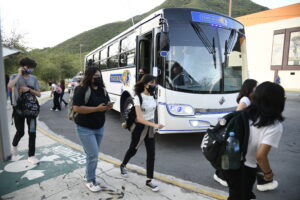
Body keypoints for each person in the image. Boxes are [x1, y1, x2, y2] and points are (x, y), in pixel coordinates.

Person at [222, 81, 285, 200]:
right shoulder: (274, 125)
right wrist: (268, 174)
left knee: (237, 193)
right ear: (278, 101)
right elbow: (260, 156)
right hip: (246, 168)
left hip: (230, 162)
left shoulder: (246, 113)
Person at [120, 74, 164, 192]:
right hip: (140, 127)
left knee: (151, 154)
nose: (154, 86)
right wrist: (155, 125)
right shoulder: (138, 97)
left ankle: (149, 180)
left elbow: (152, 112)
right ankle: (123, 165)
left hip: (150, 127)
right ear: (145, 84)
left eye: (155, 83)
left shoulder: (153, 96)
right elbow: (139, 118)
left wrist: (154, 124)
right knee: (133, 149)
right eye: (151, 83)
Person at [72, 66, 113, 192]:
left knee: (92, 155)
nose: (98, 78)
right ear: (89, 76)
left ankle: (89, 175)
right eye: (95, 76)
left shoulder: (102, 89)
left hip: (99, 126)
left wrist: (108, 107)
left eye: (99, 76)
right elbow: (77, 108)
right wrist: (96, 109)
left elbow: (105, 104)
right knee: (93, 154)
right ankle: (90, 180)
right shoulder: (81, 89)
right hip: (85, 127)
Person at [214, 79, 257, 186]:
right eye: (256, 87)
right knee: (235, 155)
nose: (257, 89)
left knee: (243, 155)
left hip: (245, 131)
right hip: (240, 132)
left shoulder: (249, 99)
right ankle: (220, 174)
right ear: (250, 89)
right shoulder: (245, 100)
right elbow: (237, 115)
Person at [7, 57, 41, 164]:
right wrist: (18, 75)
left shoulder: (34, 79)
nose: (31, 69)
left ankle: (31, 156)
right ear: (23, 67)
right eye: (29, 67)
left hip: (31, 109)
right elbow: (9, 86)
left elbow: (39, 94)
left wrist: (29, 89)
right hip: (18, 109)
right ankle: (14, 146)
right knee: (20, 132)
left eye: (32, 68)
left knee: (32, 132)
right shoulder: (14, 76)